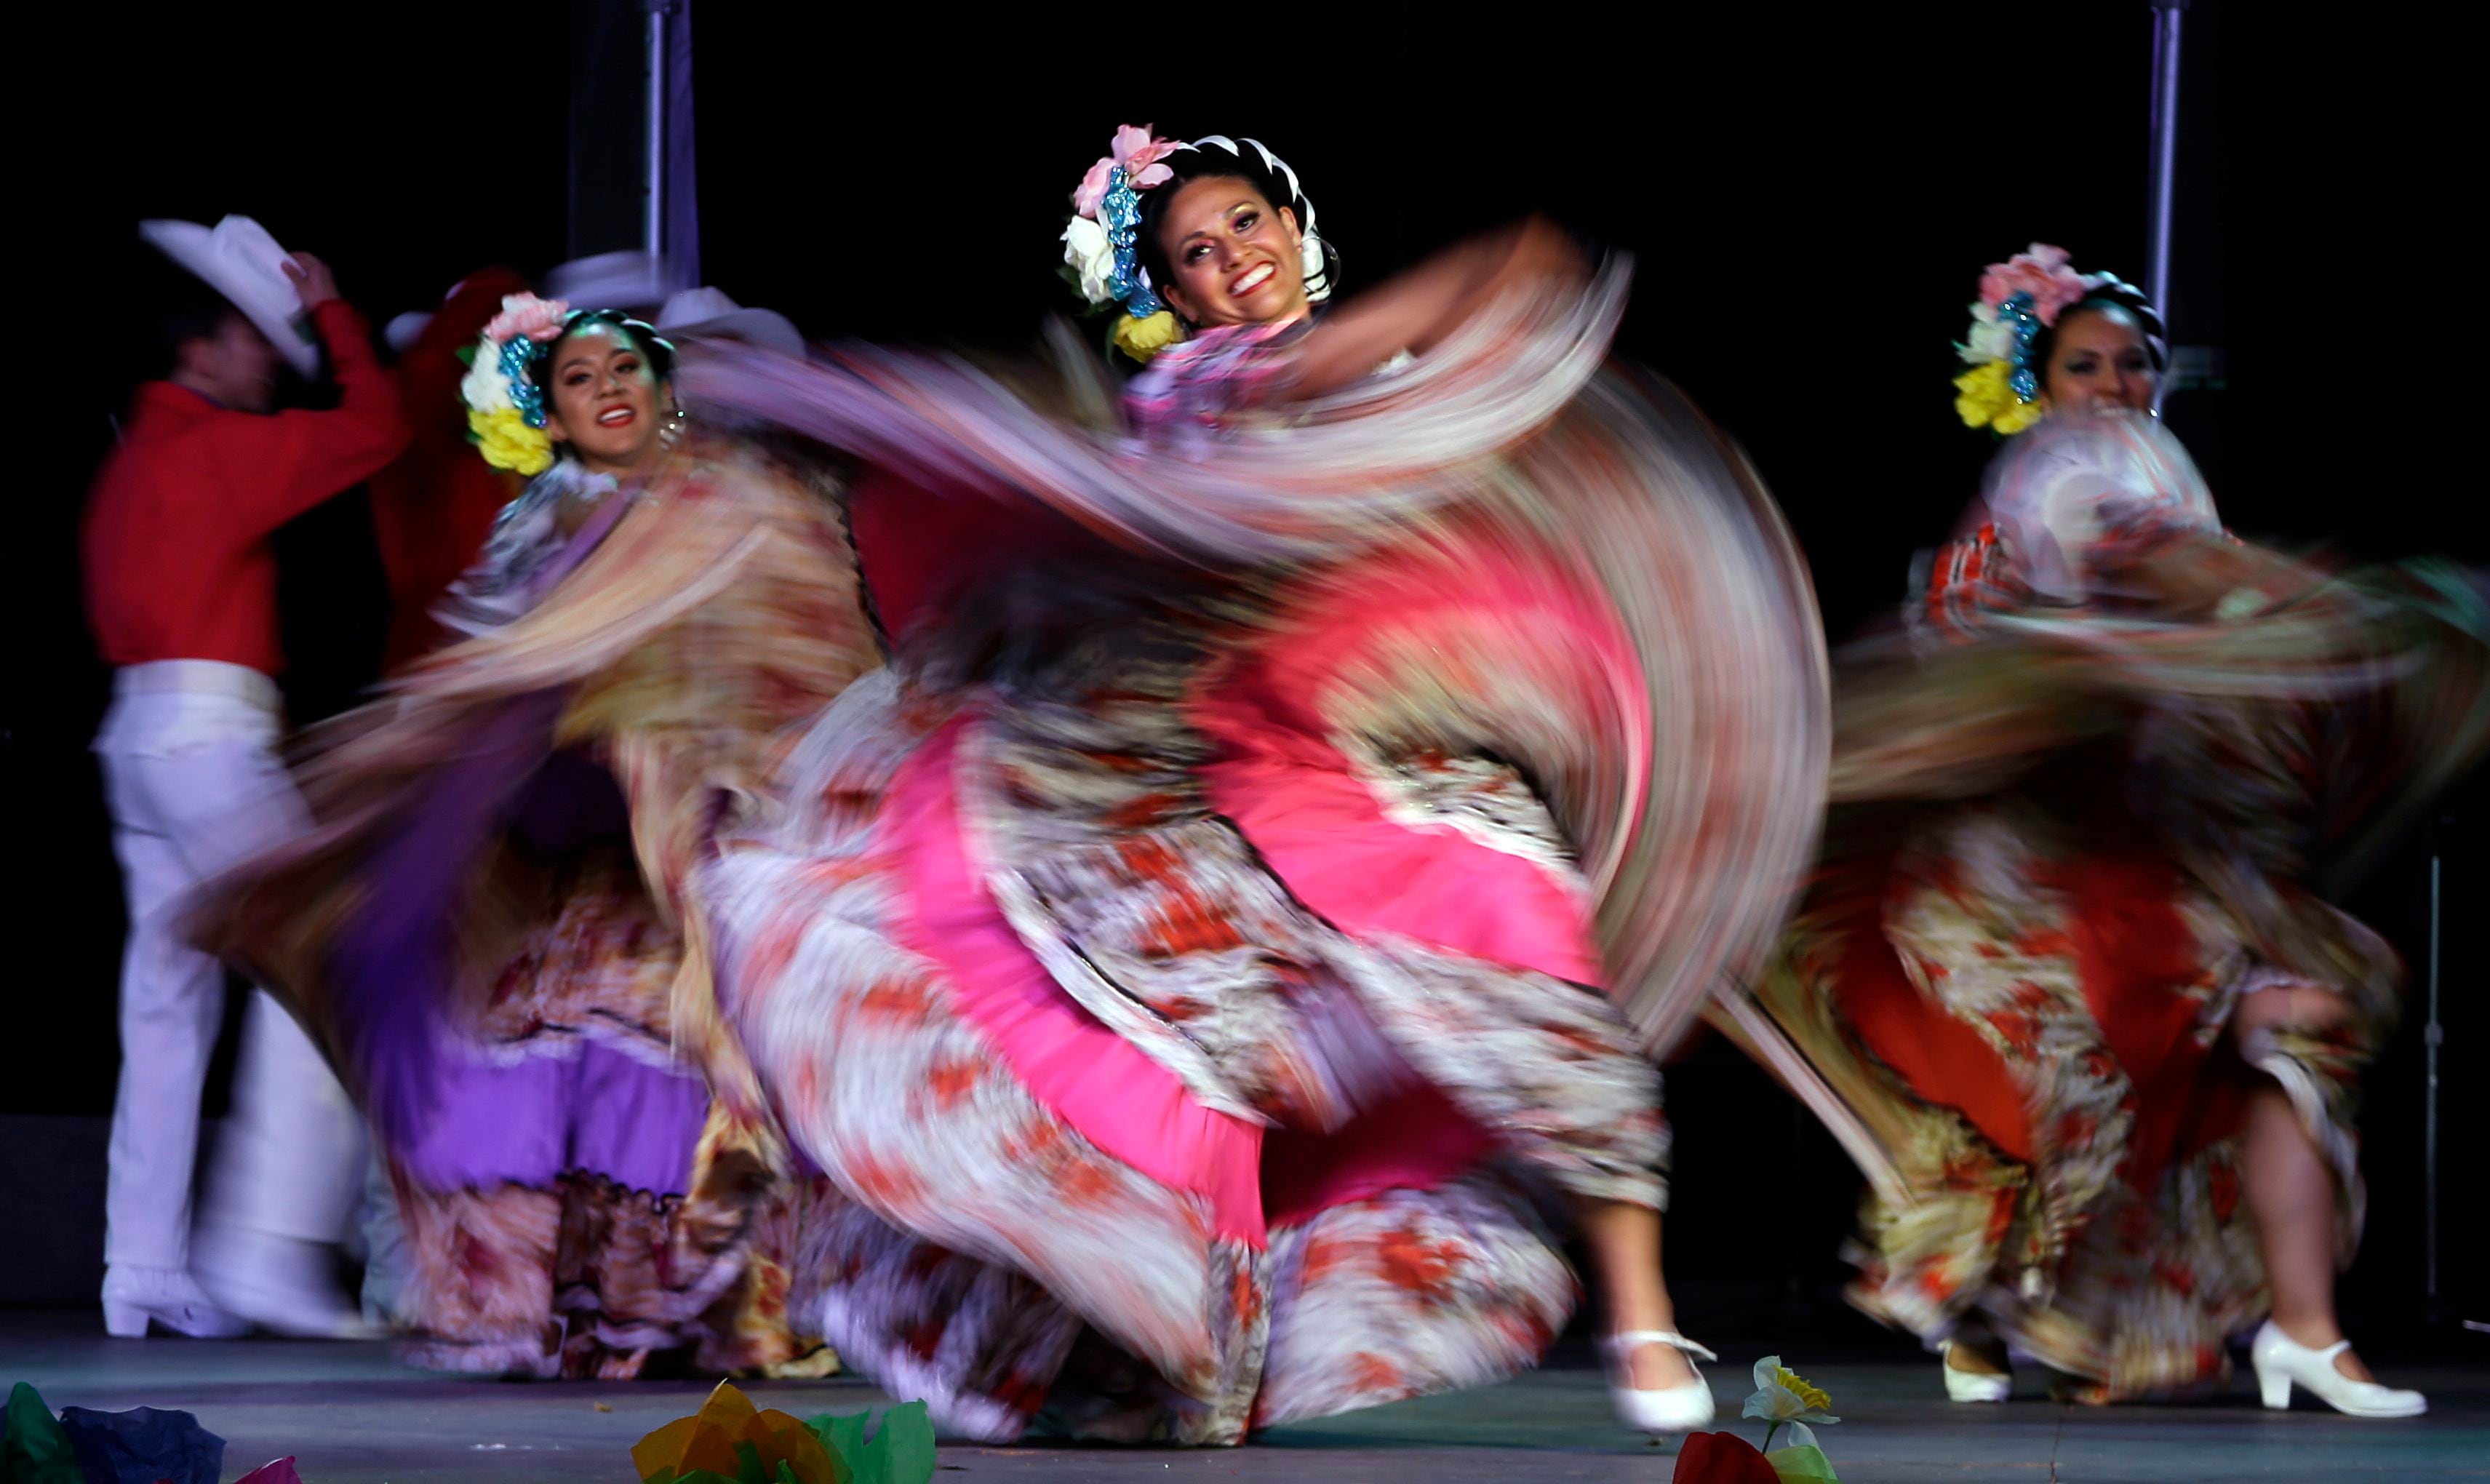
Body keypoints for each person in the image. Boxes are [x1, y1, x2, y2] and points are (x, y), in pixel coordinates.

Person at [684, 127, 1827, 1443]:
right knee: (1207, 1075)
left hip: (1388, 752)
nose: (1232, 263)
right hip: (1220, 783)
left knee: (1533, 960)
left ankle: (1637, 1313)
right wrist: (1497, 293)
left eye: (1245, 227)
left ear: (1293, 225)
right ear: (1171, 300)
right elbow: (1443, 325)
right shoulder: (1212, 387)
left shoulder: (1382, 386)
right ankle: (1197, 1339)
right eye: (1195, 257)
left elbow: (1488, 349)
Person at [1723, 245, 2488, 1414]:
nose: (2114, 384)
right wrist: (2313, 604)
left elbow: (2188, 611)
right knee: (2087, 1071)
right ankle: (2013, 1311)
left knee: (2306, 1018)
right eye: (2085, 363)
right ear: (2040, 380)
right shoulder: (2058, 471)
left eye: (2135, 363)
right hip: (2042, 853)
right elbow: (2144, 570)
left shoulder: (2150, 468)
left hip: (2169, 841)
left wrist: (2313, 635)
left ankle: (2302, 1330)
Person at [193, 298, 876, 1378]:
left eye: (625, 368)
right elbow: (501, 679)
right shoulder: (541, 528)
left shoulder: (748, 503)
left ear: (663, 388)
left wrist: (711, 756)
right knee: (555, 1050)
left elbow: (815, 659)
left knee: (711, 1061)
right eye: (575, 378)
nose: (606, 387)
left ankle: (721, 1310)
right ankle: (573, 1313)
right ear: (549, 417)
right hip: (583, 853)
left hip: (722, 849)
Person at [85, 215, 408, 1340]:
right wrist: (331, 312)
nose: (271, 360)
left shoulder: (133, 460)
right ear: (200, 349)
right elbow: (376, 427)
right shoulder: (212, 452)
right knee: (322, 966)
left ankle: (142, 1268)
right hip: (205, 742)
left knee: (166, 1007)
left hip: (137, 741)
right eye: (254, 340)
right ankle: (264, 1247)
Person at [368, 269, 532, 669]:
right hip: (460, 637)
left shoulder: (490, 432)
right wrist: (500, 290)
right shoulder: (436, 427)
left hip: (466, 634)